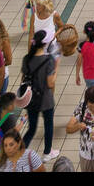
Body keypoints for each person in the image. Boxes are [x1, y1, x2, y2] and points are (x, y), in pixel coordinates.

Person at [20, 29, 58, 160]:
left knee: (31, 128)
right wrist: (56, 70)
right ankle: (47, 153)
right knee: (48, 126)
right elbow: (50, 83)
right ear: (45, 44)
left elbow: (23, 79)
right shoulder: (49, 60)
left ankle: (19, 152)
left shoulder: (26, 58)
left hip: (31, 99)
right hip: (46, 99)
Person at [64, 84, 94, 172]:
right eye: (90, 107)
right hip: (86, 155)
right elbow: (68, 129)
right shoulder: (82, 107)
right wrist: (78, 126)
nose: (93, 109)